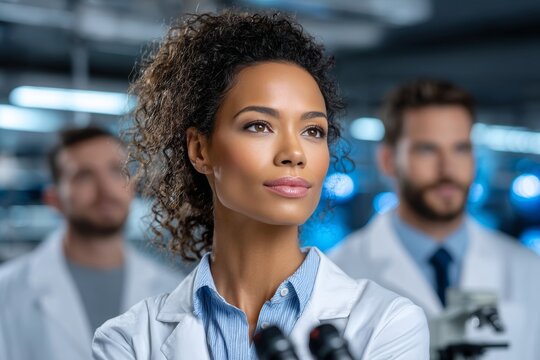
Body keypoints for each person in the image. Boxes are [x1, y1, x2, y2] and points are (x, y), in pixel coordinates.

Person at [91, 11, 429, 360]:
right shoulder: (129, 340)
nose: (294, 153)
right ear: (200, 150)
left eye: (313, 131)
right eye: (258, 126)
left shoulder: (388, 323)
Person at [330, 79, 540, 359]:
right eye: (427, 149)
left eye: (460, 148)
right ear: (388, 160)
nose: (448, 168)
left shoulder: (528, 271)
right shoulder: (339, 273)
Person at [0, 127, 181, 360]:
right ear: (53, 199)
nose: (105, 189)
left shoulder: (172, 292)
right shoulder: (7, 290)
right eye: (84, 175)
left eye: (117, 171)